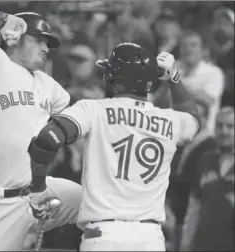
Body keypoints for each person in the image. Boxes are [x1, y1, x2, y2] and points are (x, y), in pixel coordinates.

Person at [27, 44, 200, 251]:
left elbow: (47, 140)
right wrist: (173, 77)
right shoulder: (170, 120)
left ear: (112, 77)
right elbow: (194, 120)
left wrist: (38, 190)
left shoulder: (94, 109)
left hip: (104, 235)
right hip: (150, 239)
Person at [0, 8, 82, 251]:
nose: (45, 48)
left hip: (37, 193)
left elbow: (77, 120)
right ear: (15, 37)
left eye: (47, 43)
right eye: (39, 40)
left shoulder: (47, 83)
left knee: (98, 206)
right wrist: (3, 19)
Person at [180, 106, 234, 251]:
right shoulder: (206, 160)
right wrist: (186, 243)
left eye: (230, 126)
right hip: (204, 244)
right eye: (220, 126)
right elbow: (194, 206)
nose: (224, 131)